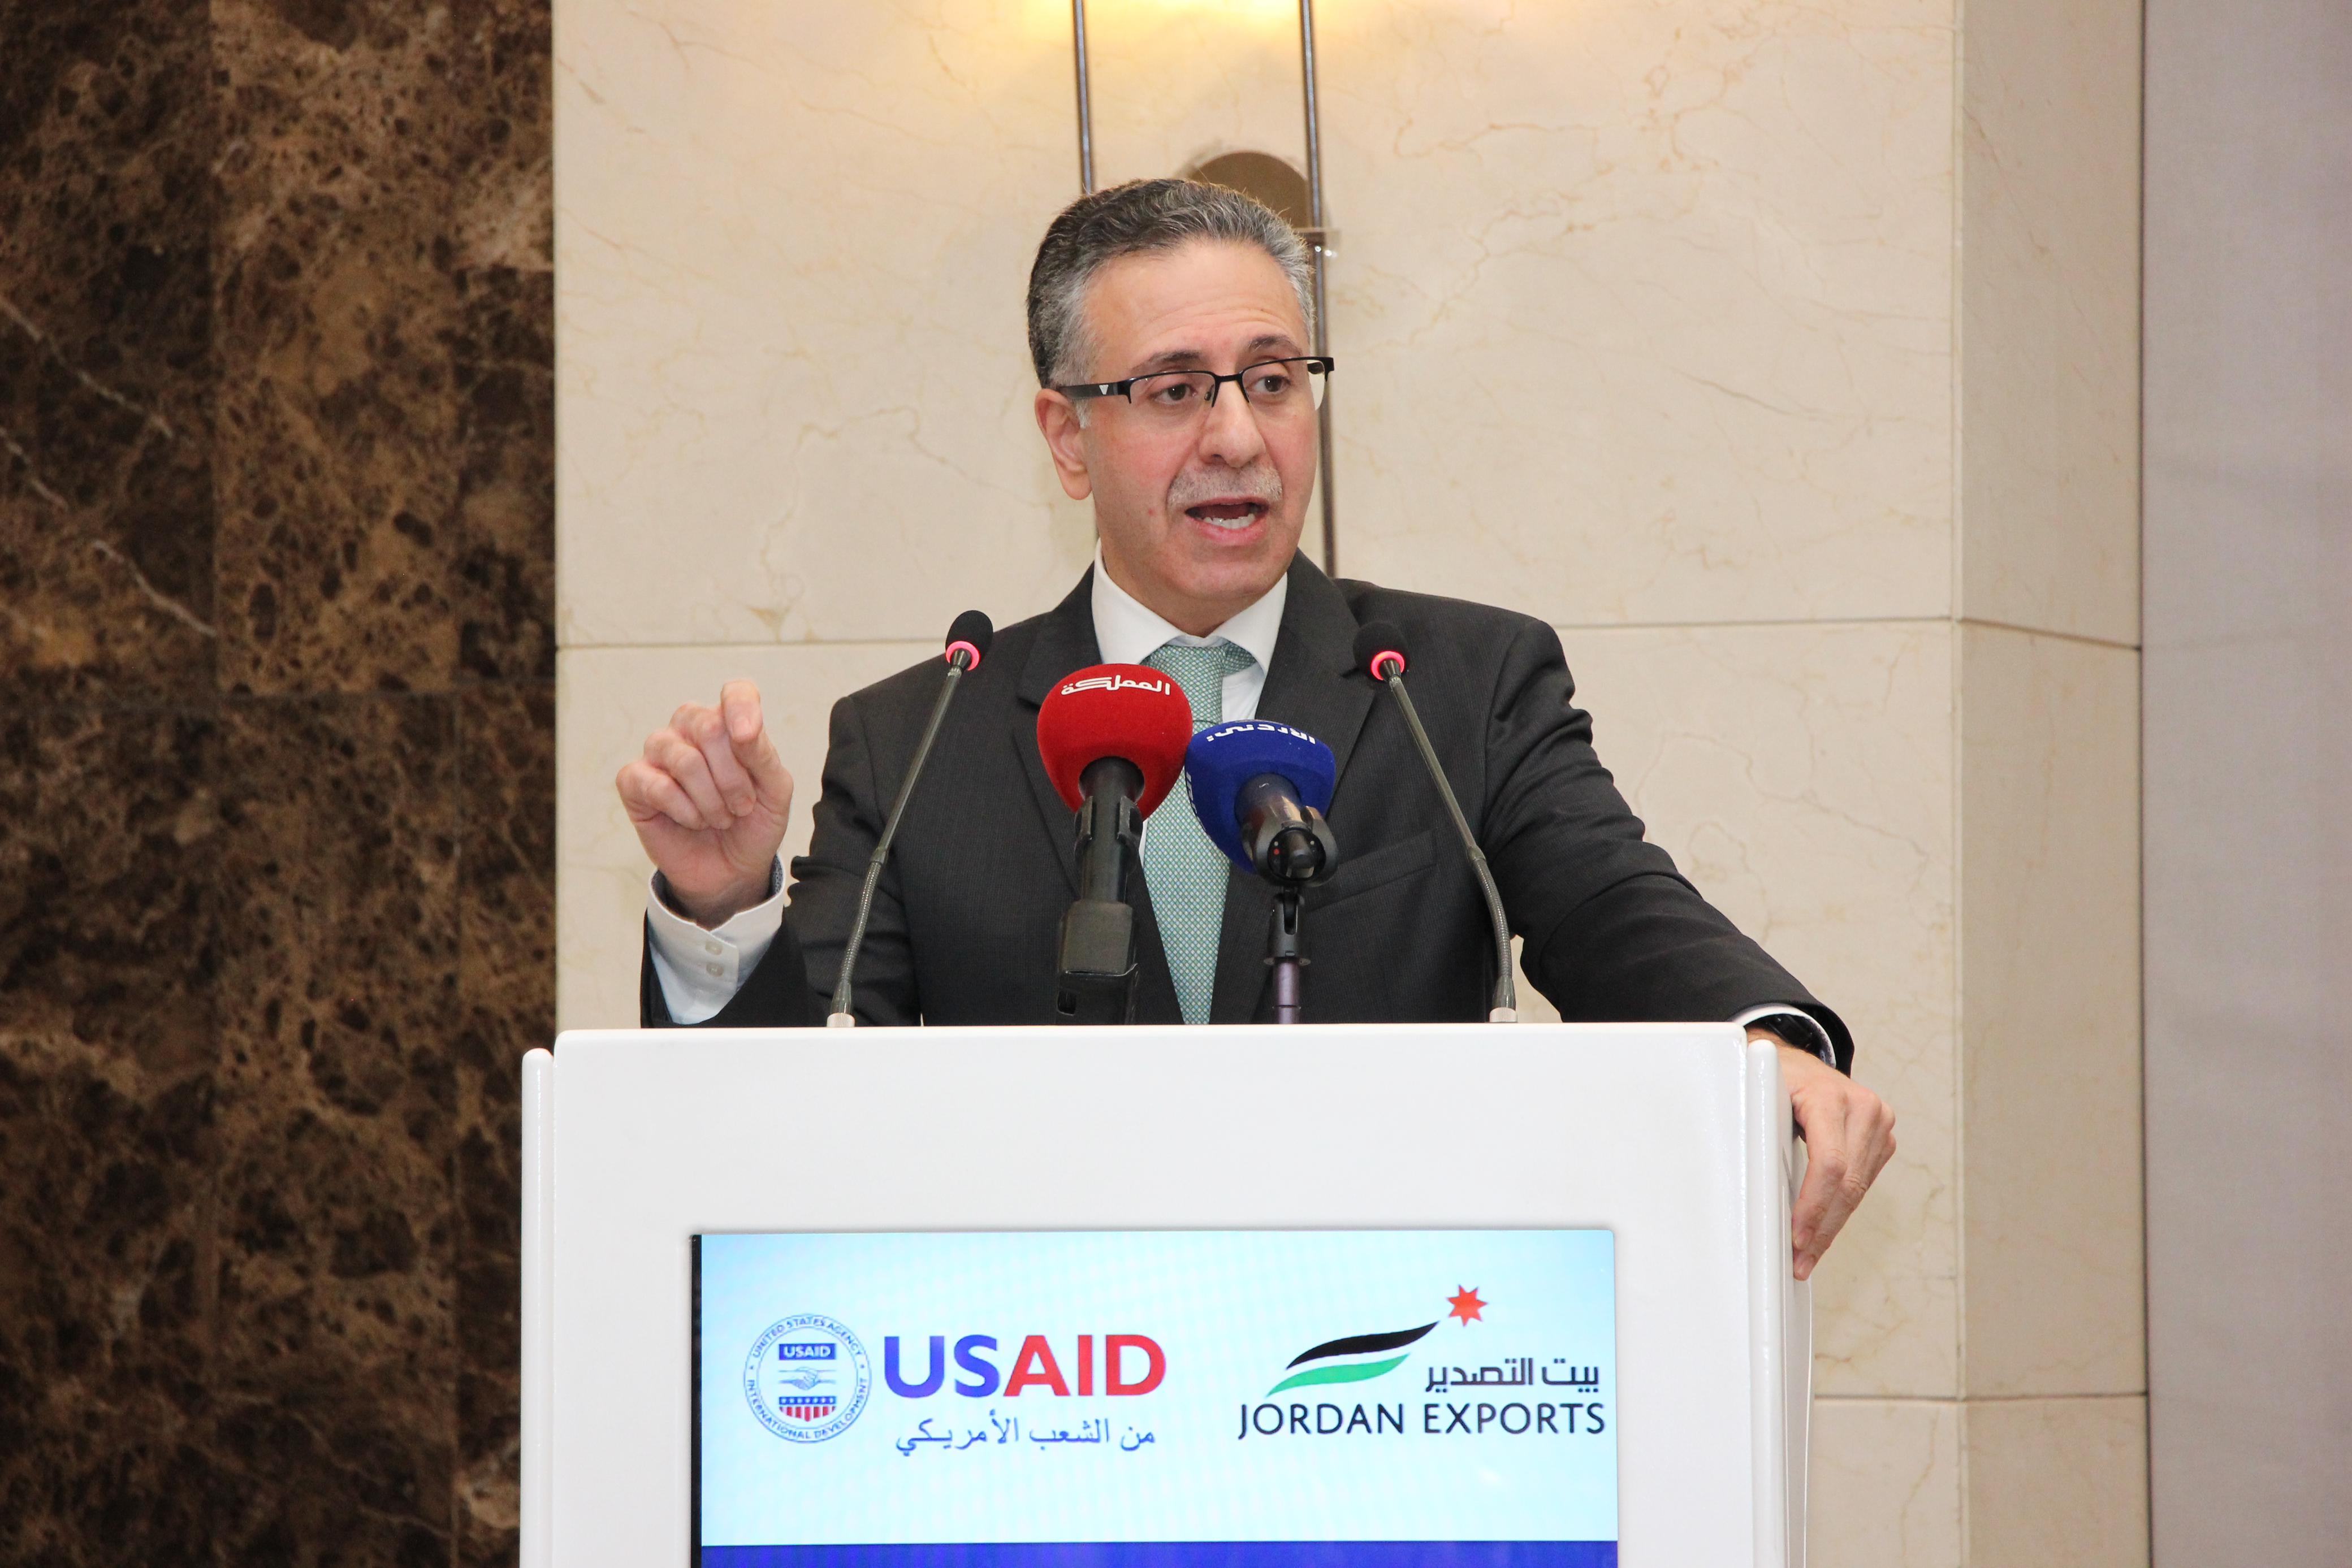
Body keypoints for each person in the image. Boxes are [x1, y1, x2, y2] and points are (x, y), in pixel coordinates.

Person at [615, 179, 1894, 1279]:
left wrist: (1764, 1044)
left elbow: (1611, 902)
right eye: (1174, 389)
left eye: (1273, 382)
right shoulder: (919, 736)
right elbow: (795, 1114)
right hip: (1033, 1383)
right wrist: (724, 910)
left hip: (1375, 1372)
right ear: (1068, 435)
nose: (1237, 437)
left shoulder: (1455, 685)